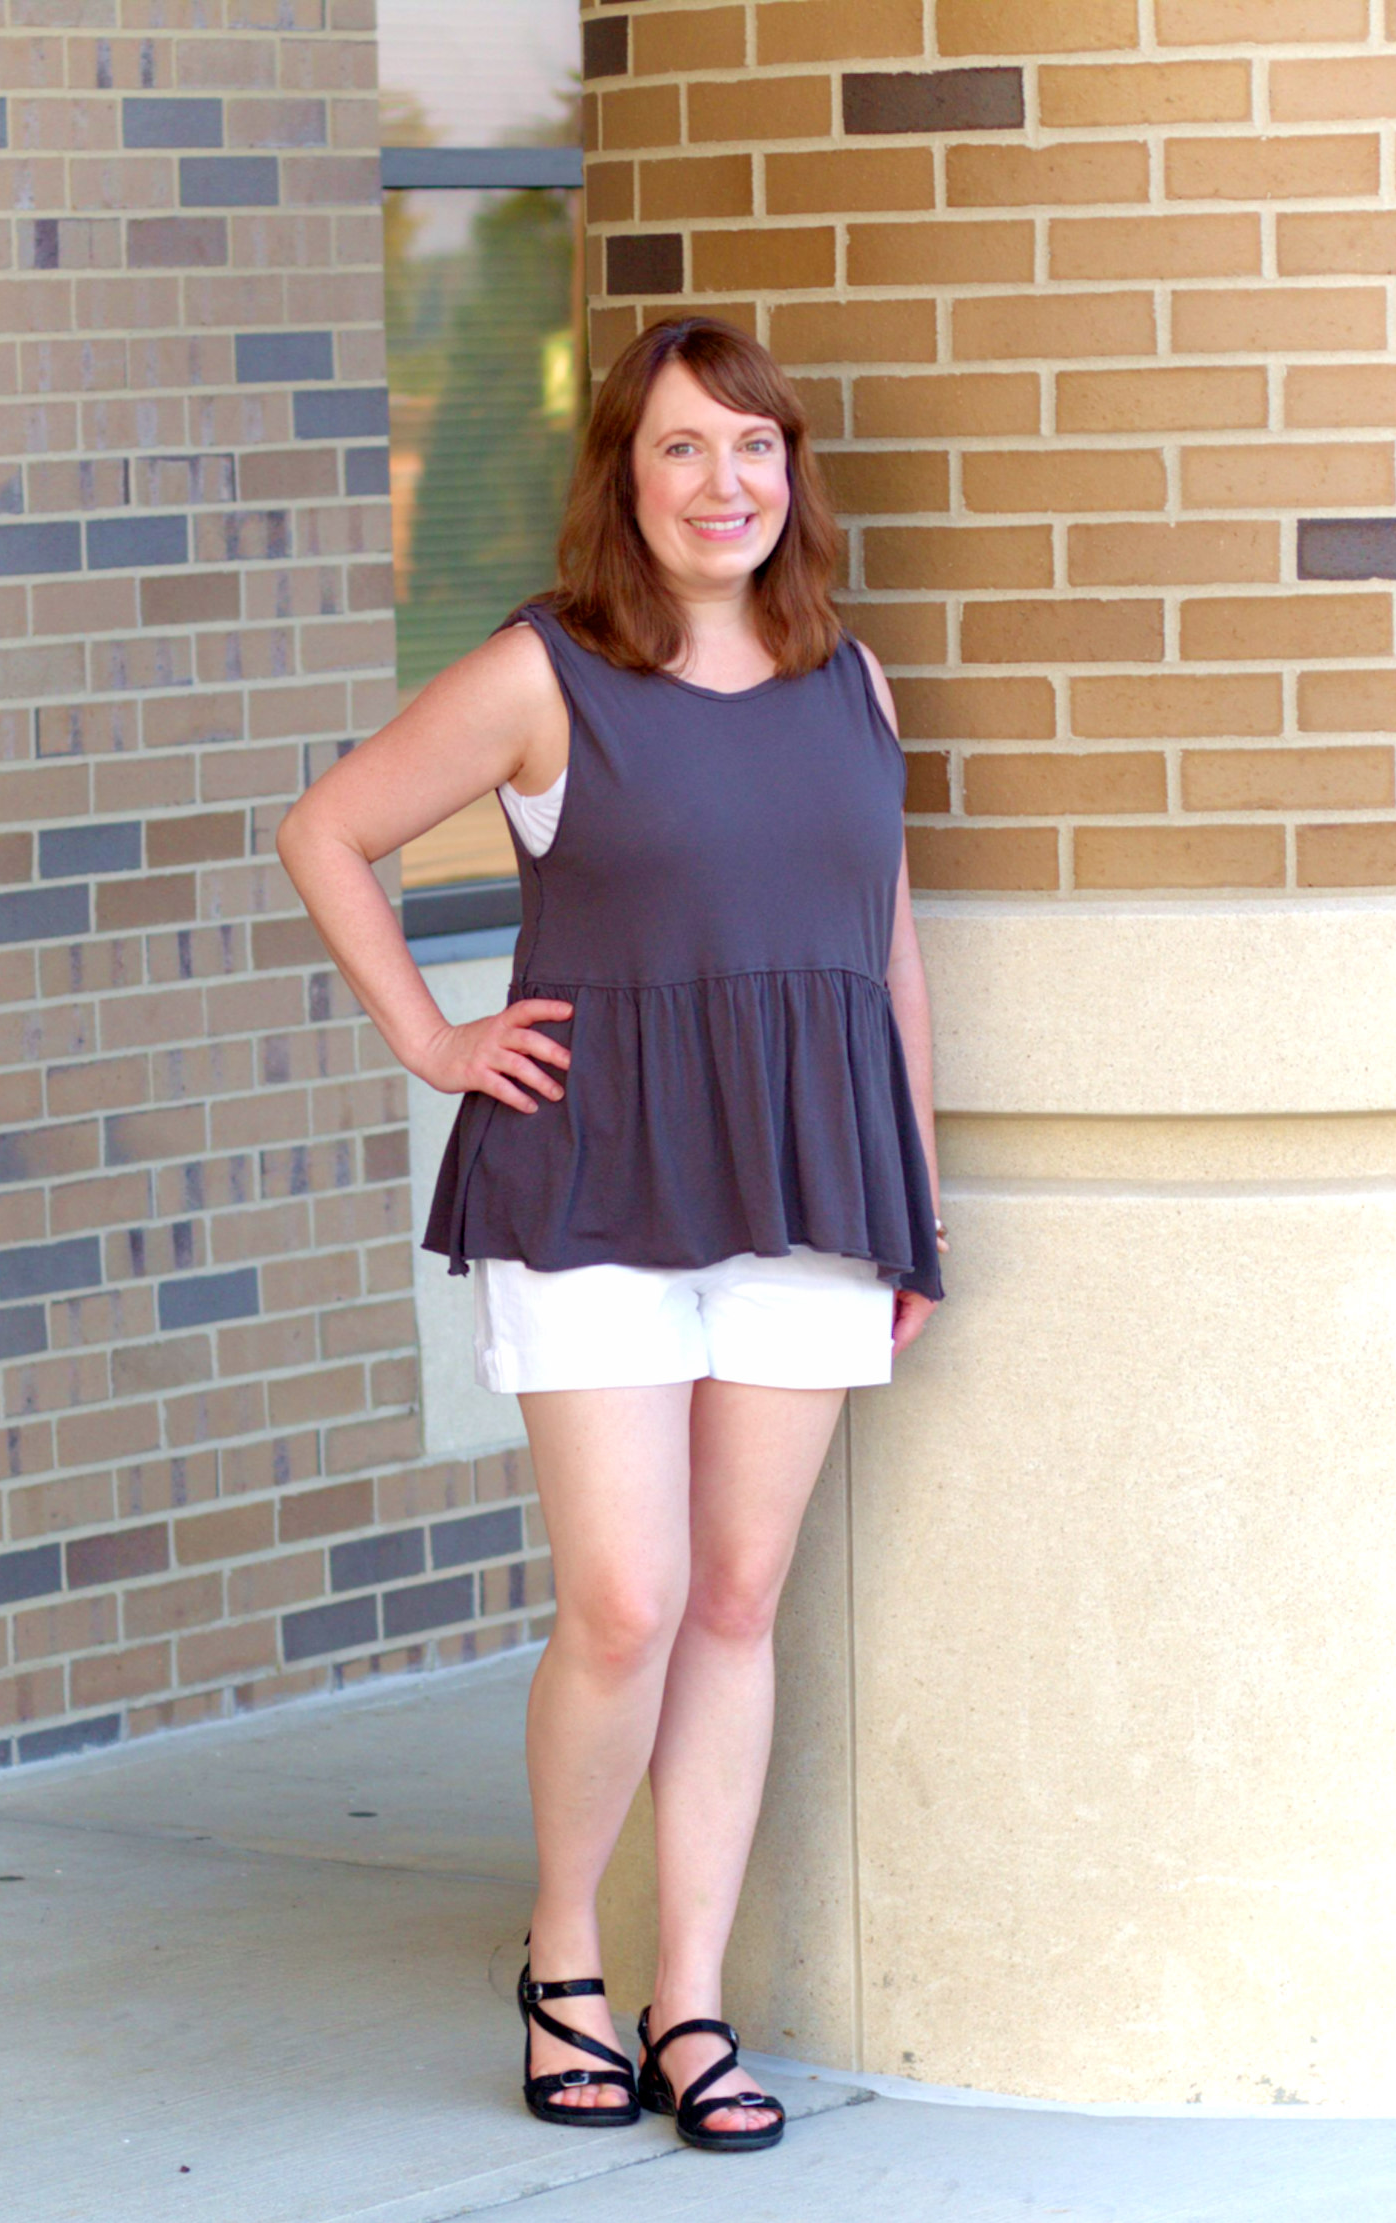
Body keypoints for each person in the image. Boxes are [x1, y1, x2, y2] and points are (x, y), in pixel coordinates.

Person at [276, 315, 946, 2155]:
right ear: (622, 480)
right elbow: (327, 831)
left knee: (737, 1599)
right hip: (591, 1182)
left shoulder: (850, 680)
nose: (724, 484)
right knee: (627, 1602)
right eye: (679, 450)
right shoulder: (542, 671)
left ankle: (691, 2000)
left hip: (808, 1191)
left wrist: (914, 1197)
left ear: (788, 477)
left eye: (754, 448)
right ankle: (565, 1951)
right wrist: (433, 1040)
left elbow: (879, 953)